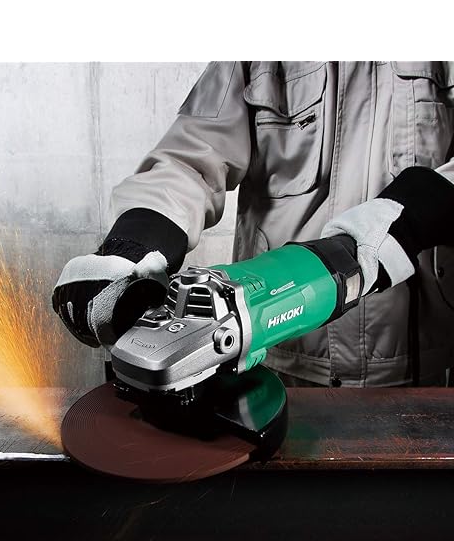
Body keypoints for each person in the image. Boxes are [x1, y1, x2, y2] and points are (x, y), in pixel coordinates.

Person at [53, 62, 454, 387]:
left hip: (422, 366)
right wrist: (137, 240)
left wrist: (410, 216)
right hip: (272, 355)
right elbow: (191, 157)